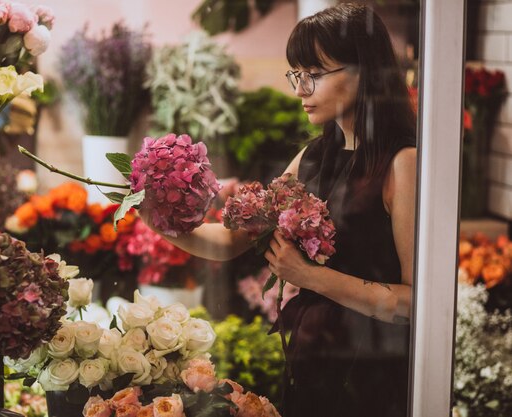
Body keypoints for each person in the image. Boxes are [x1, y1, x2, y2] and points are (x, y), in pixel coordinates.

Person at [142, 3, 416, 417]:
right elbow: (230, 242)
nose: (300, 89)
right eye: (296, 74)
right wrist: (155, 217)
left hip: (372, 372)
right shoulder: (310, 158)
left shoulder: (403, 163)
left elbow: (412, 304)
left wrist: (311, 277)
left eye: (314, 75)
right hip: (313, 358)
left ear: (365, 71)